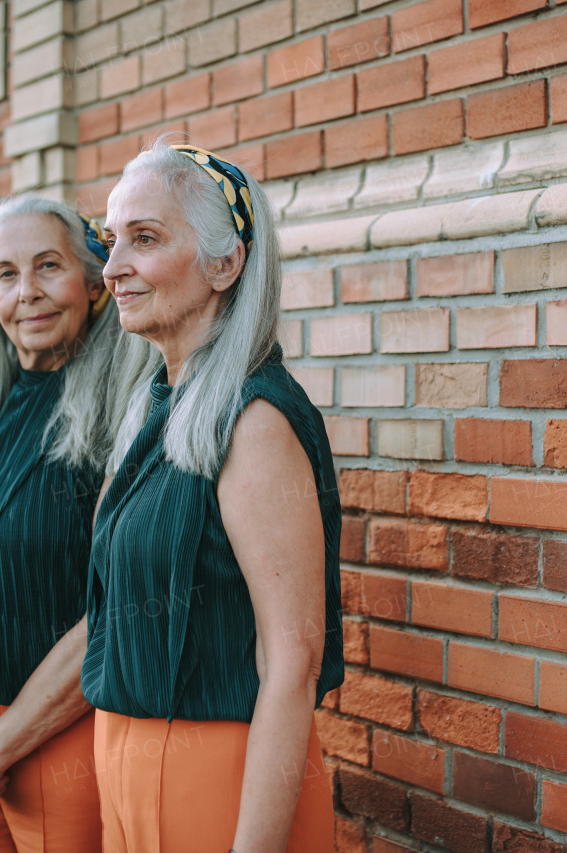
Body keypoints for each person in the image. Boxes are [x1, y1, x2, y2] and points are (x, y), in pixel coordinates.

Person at [84, 140, 344, 853]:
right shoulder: (155, 406)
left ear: (225, 262)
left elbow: (293, 661)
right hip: (125, 765)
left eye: (145, 238)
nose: (112, 269)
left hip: (218, 783)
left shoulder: (255, 419)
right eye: (111, 242)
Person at [0, 194, 153, 853]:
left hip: (60, 739)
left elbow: (113, 613)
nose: (28, 292)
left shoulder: (121, 418)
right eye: (6, 274)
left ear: (95, 283)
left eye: (49, 266)